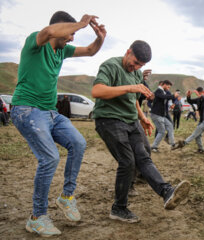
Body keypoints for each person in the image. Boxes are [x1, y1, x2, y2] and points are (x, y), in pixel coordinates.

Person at [10, 11, 106, 237]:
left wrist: (100, 37)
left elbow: (91, 51)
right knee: (50, 158)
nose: (72, 38)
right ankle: (37, 217)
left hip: (51, 113)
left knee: (79, 143)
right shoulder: (37, 41)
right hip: (27, 109)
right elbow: (50, 31)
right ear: (62, 27)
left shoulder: (62, 50)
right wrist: (81, 24)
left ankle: (66, 197)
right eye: (70, 33)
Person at [91, 40, 190, 223]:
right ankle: (119, 208)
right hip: (109, 119)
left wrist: (142, 118)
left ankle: (167, 192)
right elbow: (97, 91)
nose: (136, 67)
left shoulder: (136, 73)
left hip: (131, 120)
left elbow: (133, 99)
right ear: (128, 52)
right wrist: (130, 87)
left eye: (141, 65)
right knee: (127, 161)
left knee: (144, 155)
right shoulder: (110, 66)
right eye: (135, 62)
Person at [173, 87, 204, 153]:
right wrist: (188, 96)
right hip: (202, 120)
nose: (197, 95)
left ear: (201, 92)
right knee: (198, 135)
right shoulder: (199, 98)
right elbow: (190, 101)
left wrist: (200, 95)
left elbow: (203, 98)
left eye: (198, 93)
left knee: (195, 133)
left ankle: (184, 143)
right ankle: (201, 149)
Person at [150, 80, 179, 152]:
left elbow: (168, 96)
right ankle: (154, 147)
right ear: (164, 85)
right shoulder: (158, 91)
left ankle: (173, 144)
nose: (169, 88)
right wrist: (173, 96)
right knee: (162, 131)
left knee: (170, 125)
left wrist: (174, 99)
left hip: (161, 115)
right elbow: (163, 97)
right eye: (168, 86)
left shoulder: (163, 91)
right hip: (156, 115)